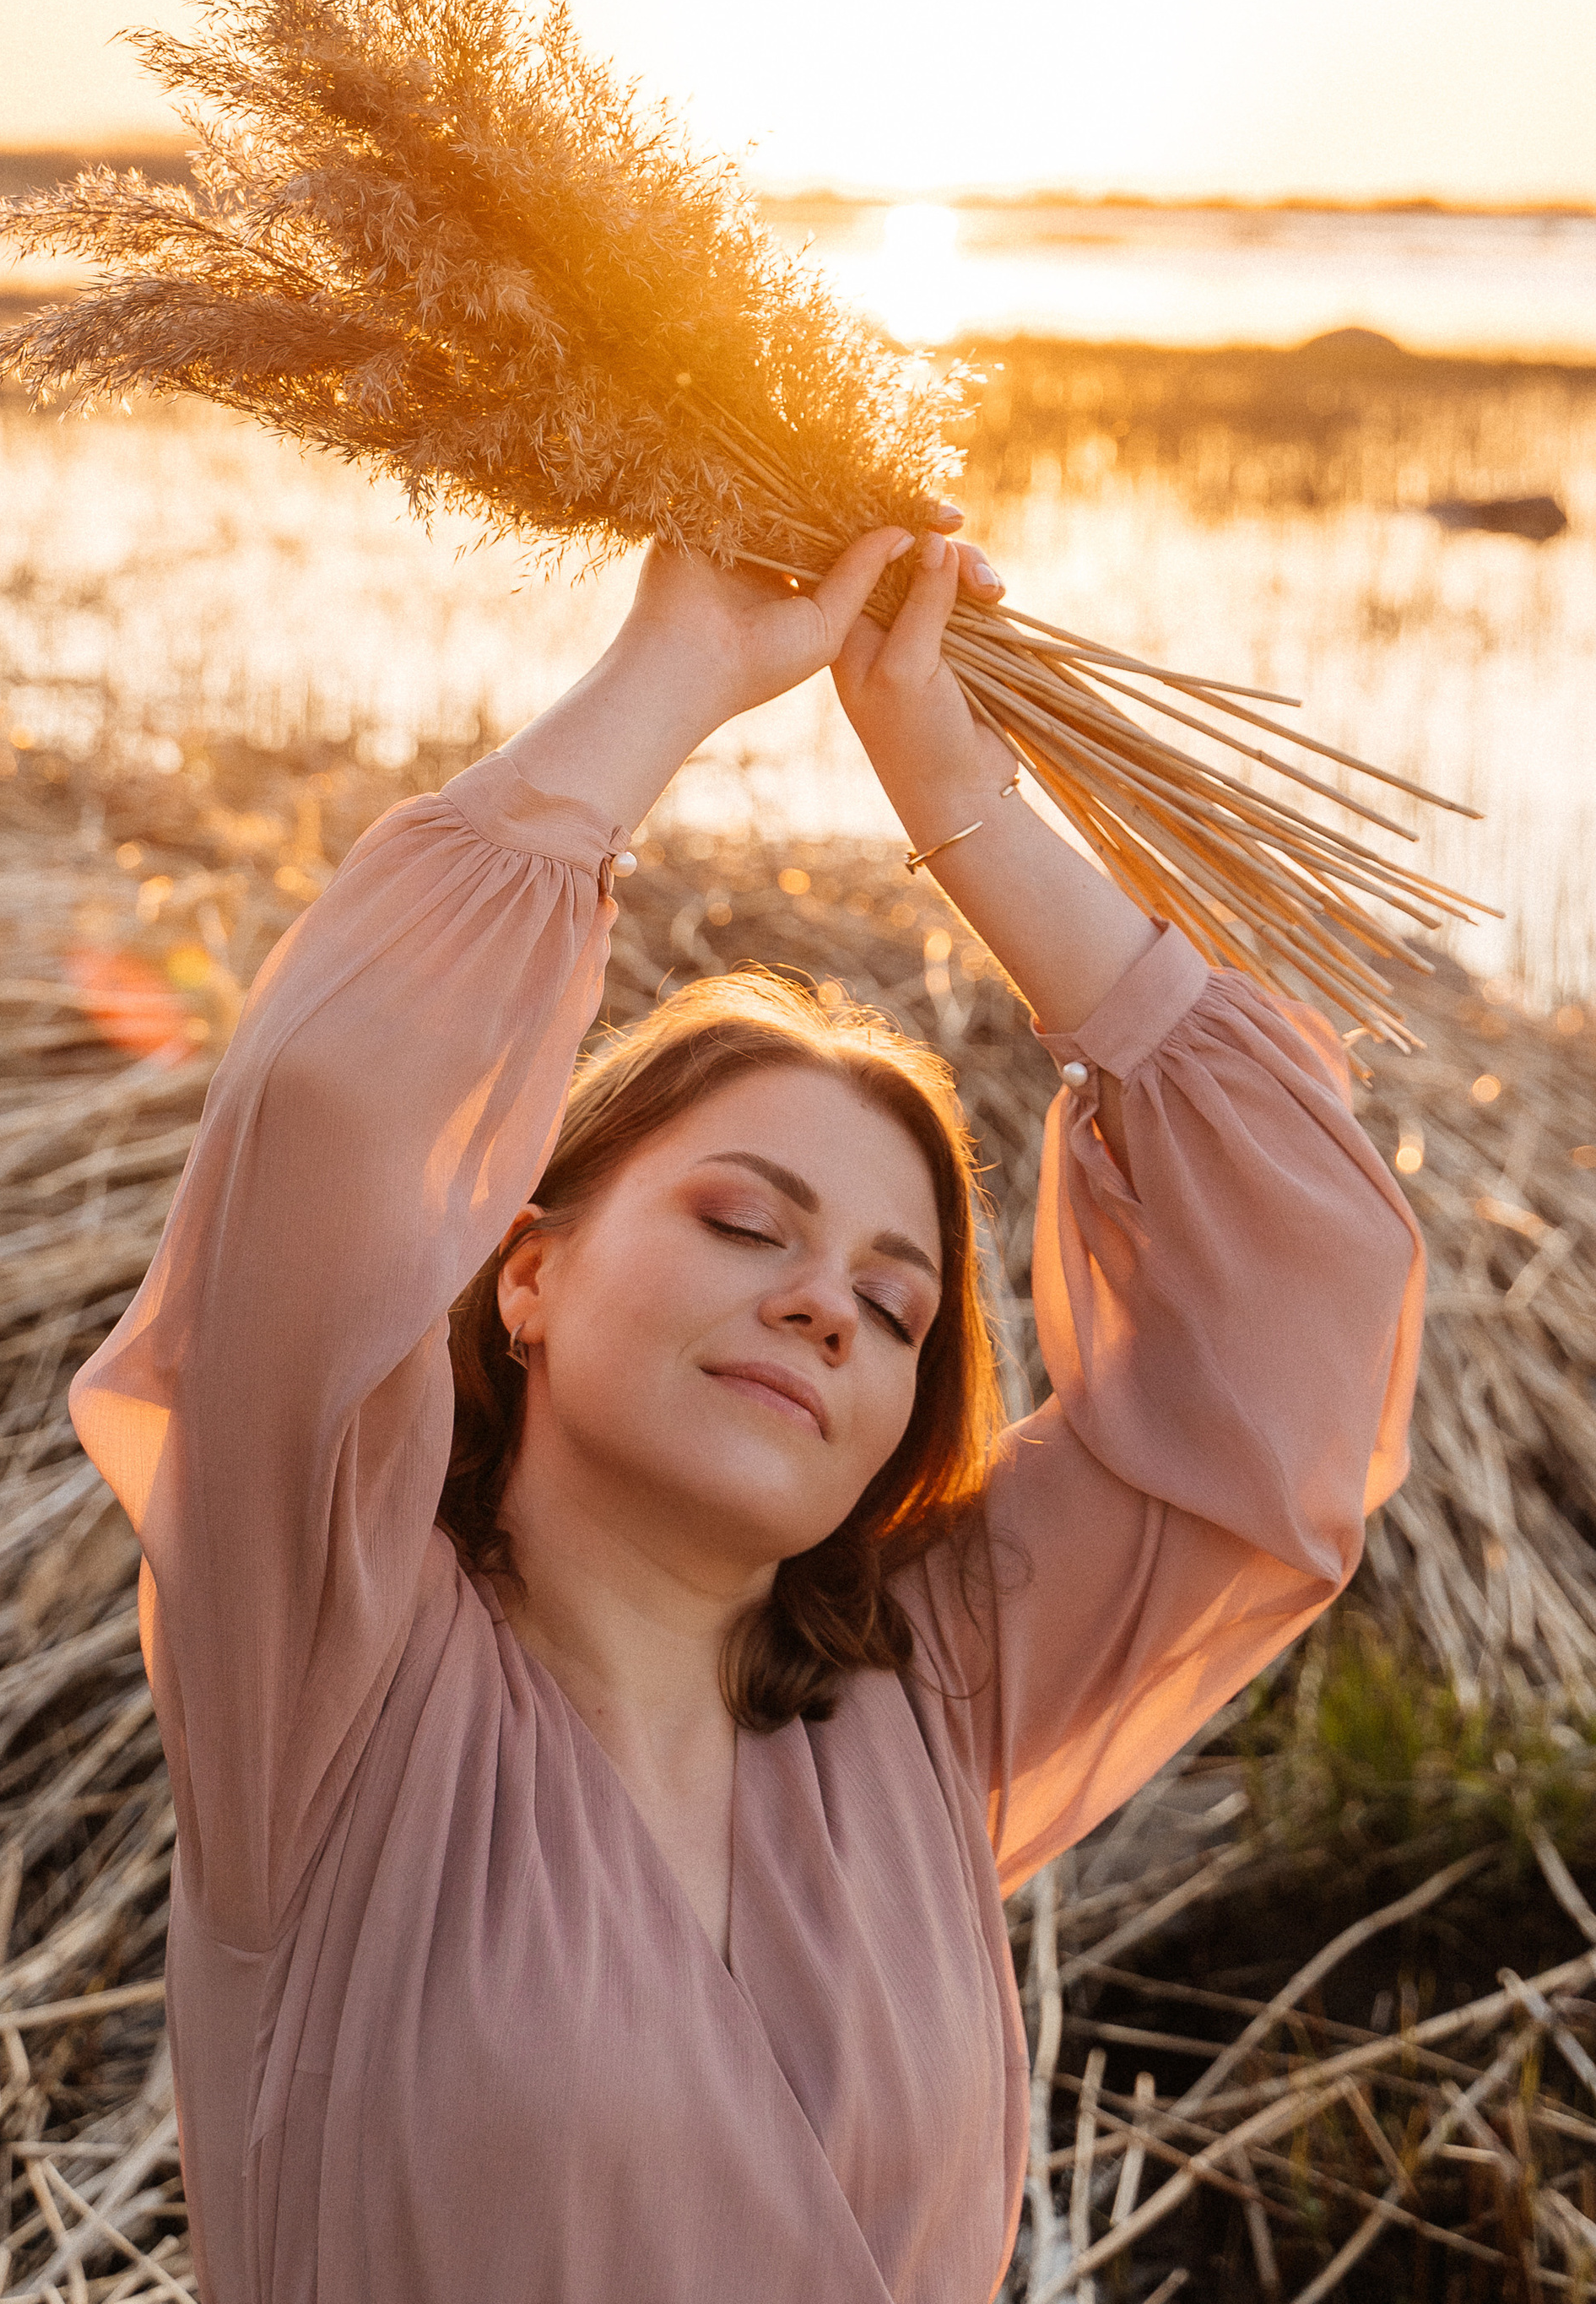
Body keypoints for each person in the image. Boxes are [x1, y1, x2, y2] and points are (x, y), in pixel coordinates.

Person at [71, 525, 1423, 2304]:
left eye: (892, 1304)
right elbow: (331, 1102)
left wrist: (960, 799)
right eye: (738, 1223)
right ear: (526, 1271)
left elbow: (1307, 1314)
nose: (819, 1304)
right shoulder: (325, 1666)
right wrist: (680, 666)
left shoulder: (931, 1697)